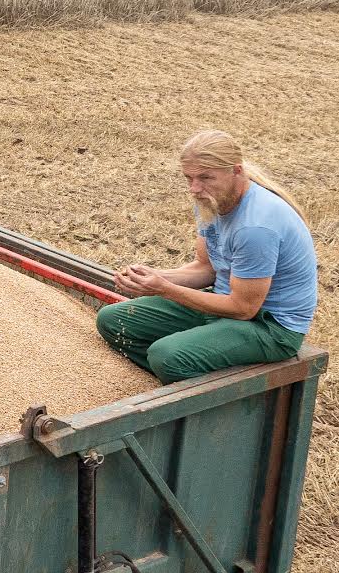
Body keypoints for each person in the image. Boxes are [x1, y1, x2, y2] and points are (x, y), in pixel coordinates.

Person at [96, 130, 317, 383]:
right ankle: (174, 377)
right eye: (188, 178)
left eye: (205, 177)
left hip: (269, 326)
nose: (194, 188)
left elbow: (244, 308)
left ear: (236, 171)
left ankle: (203, 387)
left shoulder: (255, 227)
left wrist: (165, 289)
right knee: (113, 320)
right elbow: (206, 268)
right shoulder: (211, 201)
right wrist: (153, 277)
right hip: (224, 302)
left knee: (167, 355)